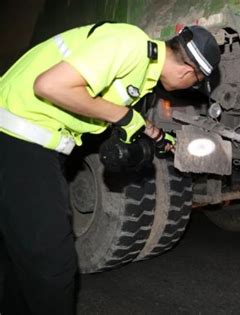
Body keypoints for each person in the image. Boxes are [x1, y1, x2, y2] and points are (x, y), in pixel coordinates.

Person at [0, 21, 220, 314]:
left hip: (26, 144)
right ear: (188, 72)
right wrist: (125, 116)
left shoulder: (142, 68)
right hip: (17, 139)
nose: (190, 87)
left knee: (24, 256)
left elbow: (103, 107)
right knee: (53, 264)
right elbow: (49, 85)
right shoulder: (128, 42)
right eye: (195, 83)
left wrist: (154, 134)